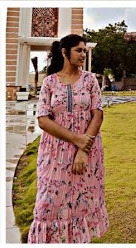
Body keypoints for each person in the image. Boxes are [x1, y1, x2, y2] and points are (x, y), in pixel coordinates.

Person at [29, 35, 107, 243]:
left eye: (84, 50)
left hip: (87, 151)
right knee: (47, 205)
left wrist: (83, 149)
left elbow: (97, 114)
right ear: (64, 52)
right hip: (55, 153)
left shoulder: (90, 80)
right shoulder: (49, 83)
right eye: (78, 50)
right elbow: (43, 120)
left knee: (81, 203)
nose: (83, 54)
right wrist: (76, 139)